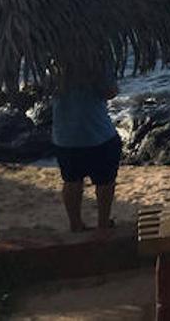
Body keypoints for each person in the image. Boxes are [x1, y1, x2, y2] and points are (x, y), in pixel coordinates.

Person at [51, 68, 121, 233]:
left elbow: (44, 90)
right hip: (98, 134)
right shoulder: (97, 62)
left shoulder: (53, 66)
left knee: (71, 180)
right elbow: (110, 92)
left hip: (65, 135)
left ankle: (75, 223)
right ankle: (103, 223)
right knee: (105, 182)